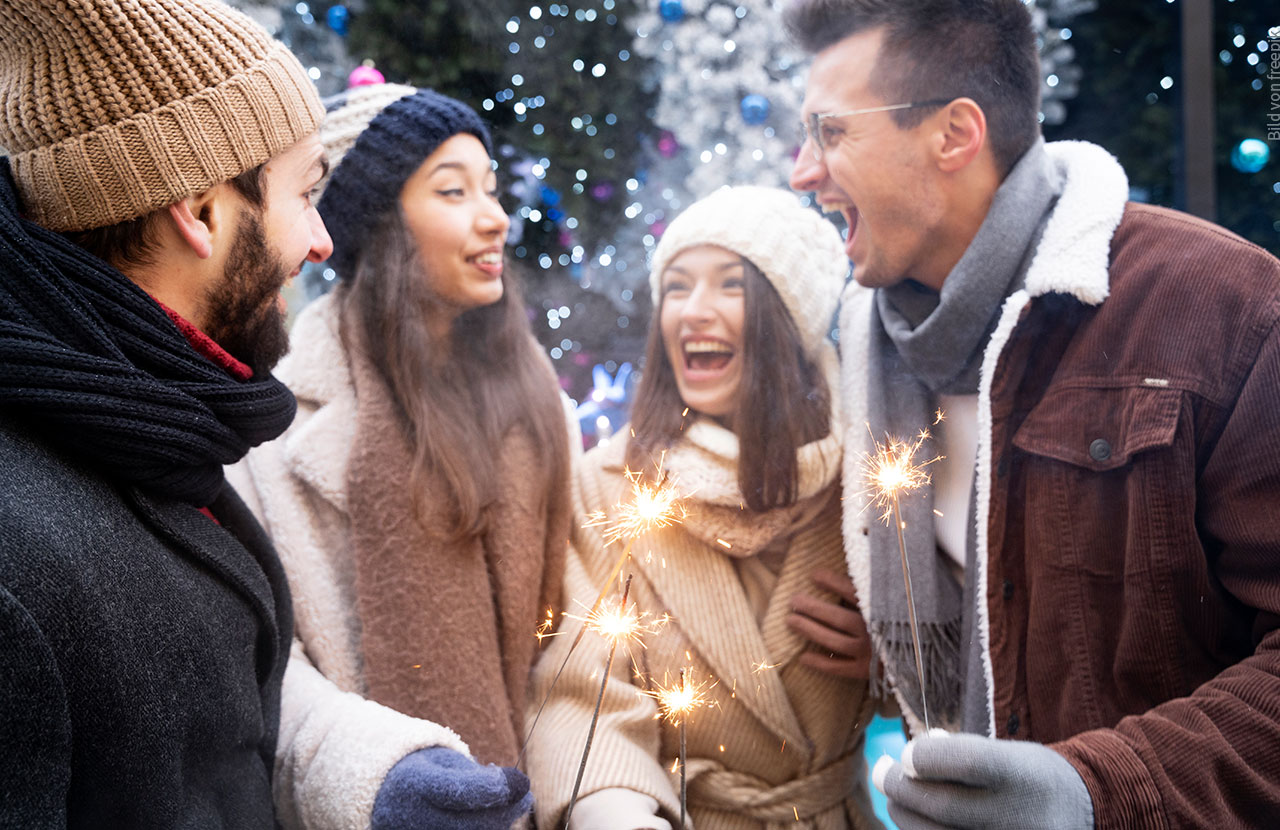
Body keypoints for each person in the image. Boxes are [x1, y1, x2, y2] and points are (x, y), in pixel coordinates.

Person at [784, 0, 1280, 827]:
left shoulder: (1225, 307)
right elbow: (1021, 601)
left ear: (955, 135)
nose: (803, 171)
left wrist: (1096, 792)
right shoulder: (872, 347)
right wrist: (901, 653)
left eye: (831, 133)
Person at [0, 0, 332, 825]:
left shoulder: (152, 436)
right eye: (306, 192)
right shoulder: (18, 564)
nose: (321, 240)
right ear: (201, 210)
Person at [226, 83, 572, 830]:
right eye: (453, 191)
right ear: (380, 224)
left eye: (492, 188)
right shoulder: (275, 419)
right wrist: (382, 779)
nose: (496, 218)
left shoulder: (536, 402)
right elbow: (267, 672)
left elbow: (581, 638)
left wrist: (601, 800)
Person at [524, 186, 885, 830]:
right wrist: (618, 817)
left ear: (789, 317)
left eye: (730, 286)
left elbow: (960, 660)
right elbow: (584, 694)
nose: (693, 312)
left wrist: (889, 663)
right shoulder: (610, 484)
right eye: (678, 286)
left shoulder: (866, 471)